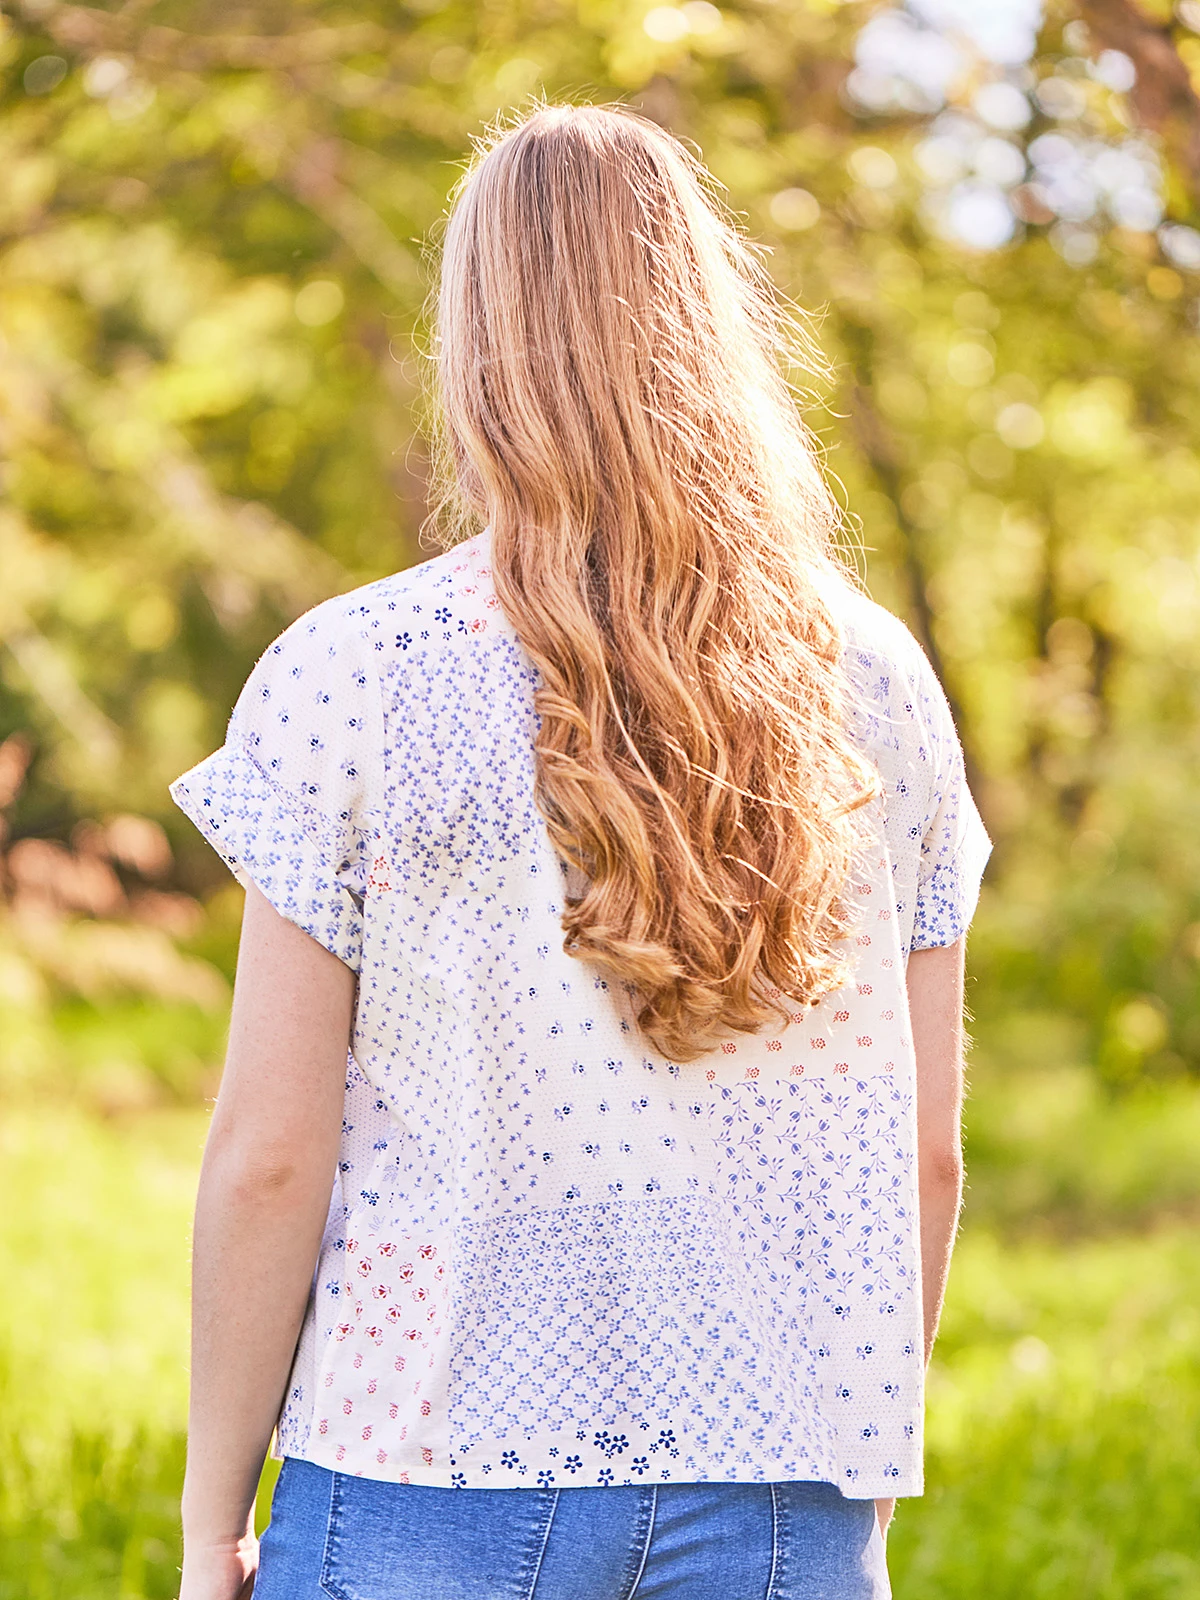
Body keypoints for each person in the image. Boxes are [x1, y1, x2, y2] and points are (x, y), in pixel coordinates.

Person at [171, 104, 990, 1600]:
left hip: (412, 1479)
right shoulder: (869, 681)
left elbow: (271, 1159)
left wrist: (208, 1513)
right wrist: (858, 1478)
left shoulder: (350, 671)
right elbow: (924, 1159)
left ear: (476, 337)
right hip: (778, 1494)